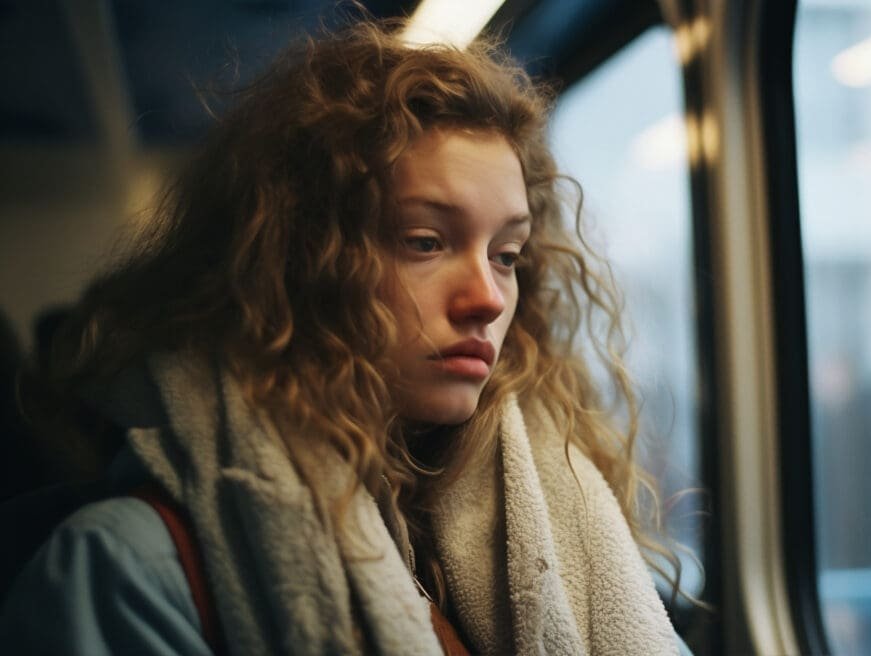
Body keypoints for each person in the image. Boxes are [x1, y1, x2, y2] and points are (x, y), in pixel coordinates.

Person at [0, 17, 690, 656]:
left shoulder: (515, 524)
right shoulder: (125, 568)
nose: (486, 297)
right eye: (425, 241)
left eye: (506, 255)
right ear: (298, 263)